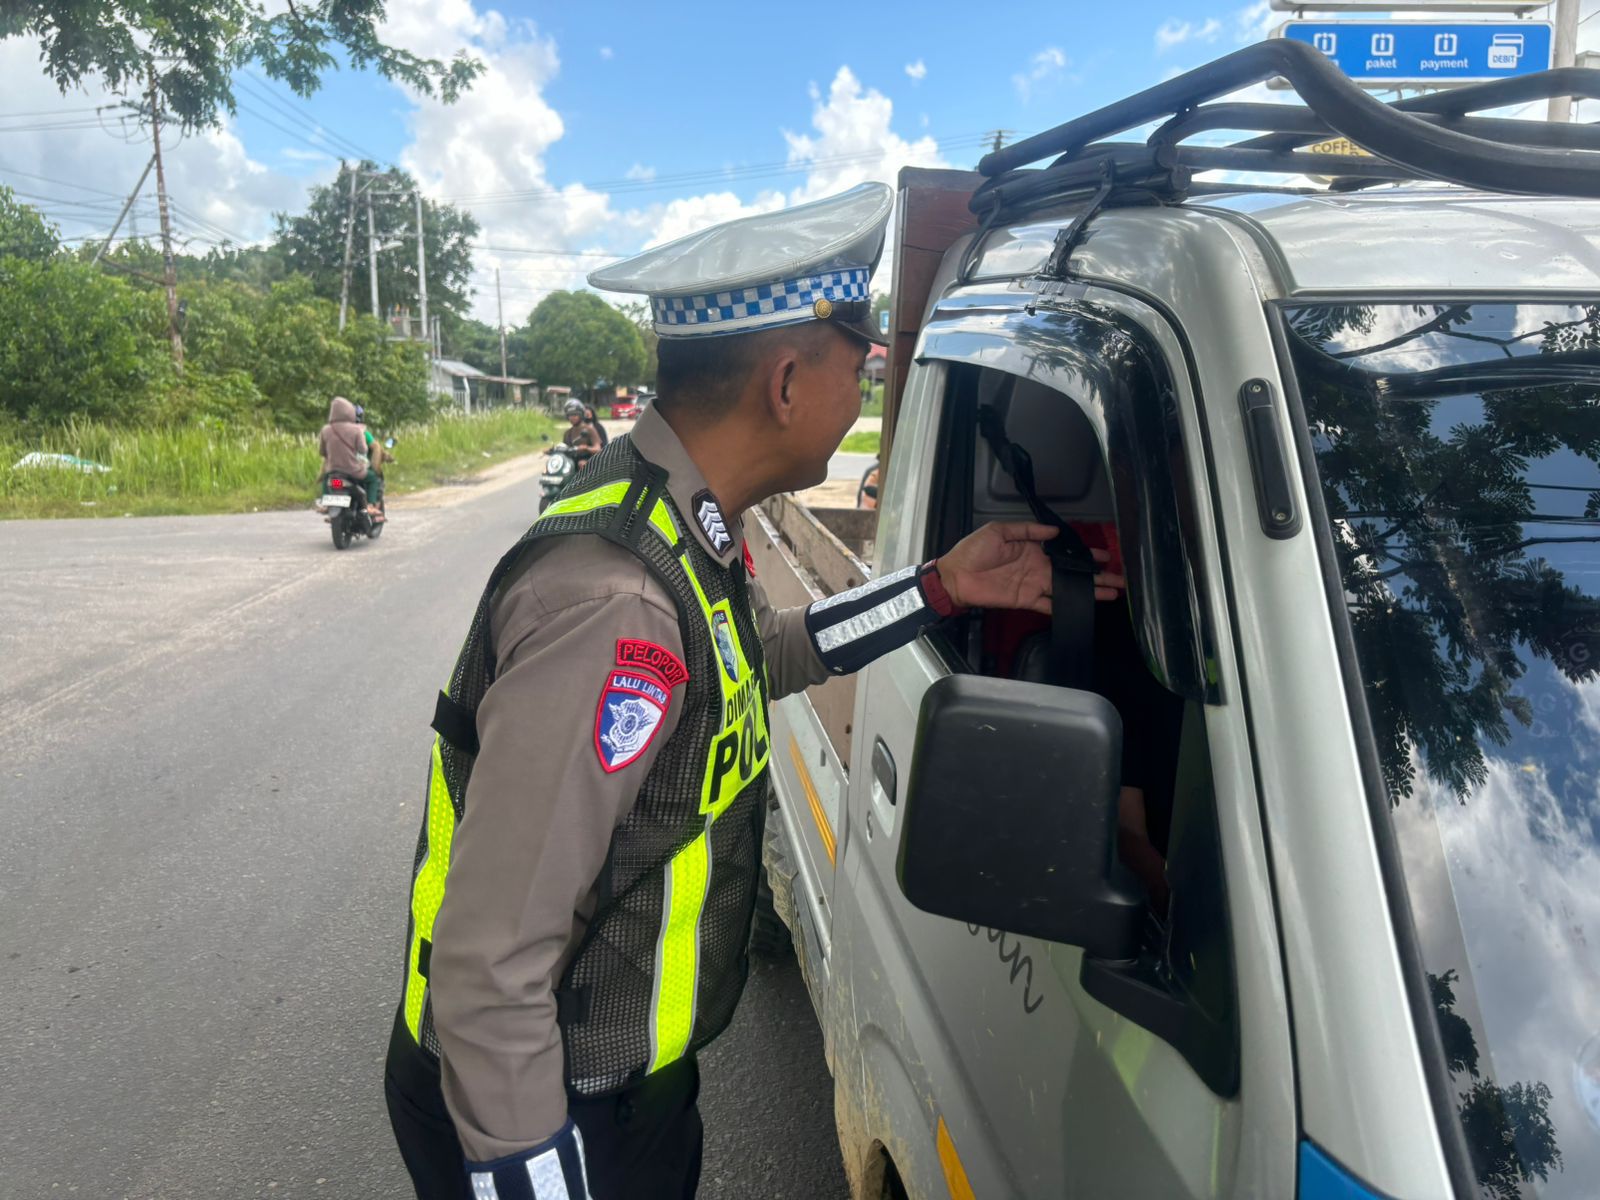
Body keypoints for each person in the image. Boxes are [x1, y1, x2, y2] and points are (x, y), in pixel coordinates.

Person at [382, 182, 1124, 1200]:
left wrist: (943, 586)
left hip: (624, 1089)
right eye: (857, 369)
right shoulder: (615, 604)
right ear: (785, 380)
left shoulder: (684, 526)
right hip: (545, 1111)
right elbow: (487, 968)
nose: (862, 397)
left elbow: (751, 656)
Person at [317, 396, 370, 502]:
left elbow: (322, 452)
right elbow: (363, 450)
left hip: (333, 473)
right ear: (349, 412)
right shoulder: (356, 430)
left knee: (327, 481)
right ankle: (371, 504)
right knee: (372, 478)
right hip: (353, 472)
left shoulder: (326, 430)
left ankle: (325, 503)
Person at [561, 398, 602, 467]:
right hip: (571, 461)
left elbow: (598, 449)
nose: (572, 418)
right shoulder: (568, 433)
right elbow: (564, 448)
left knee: (581, 463)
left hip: (588, 460)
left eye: (575, 415)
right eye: (570, 415)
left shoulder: (589, 429)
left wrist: (586, 448)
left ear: (581, 415)